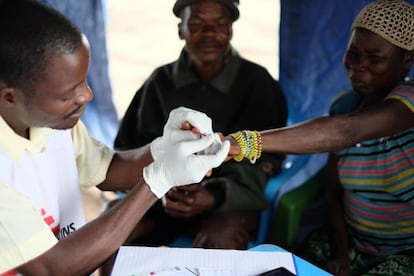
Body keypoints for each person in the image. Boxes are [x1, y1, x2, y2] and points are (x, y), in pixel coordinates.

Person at [0, 1, 229, 275]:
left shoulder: (52, 123)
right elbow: (54, 267)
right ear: (10, 97)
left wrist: (164, 148)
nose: (87, 95)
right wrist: (157, 180)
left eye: (85, 81)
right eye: (68, 93)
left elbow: (107, 169)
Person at [227, 0, 414, 275]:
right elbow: (332, 191)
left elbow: (346, 131)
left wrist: (242, 143)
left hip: (405, 254)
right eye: (353, 53)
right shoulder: (343, 106)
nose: (359, 65)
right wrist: (340, 254)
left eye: (375, 57)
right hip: (351, 246)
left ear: (407, 61)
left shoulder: (408, 104)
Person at [112, 0, 287, 251]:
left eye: (220, 25)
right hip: (161, 199)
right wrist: (161, 188)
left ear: (231, 29)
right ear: (180, 29)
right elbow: (128, 150)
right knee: (114, 229)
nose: (208, 34)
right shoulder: (159, 84)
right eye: (196, 24)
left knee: (222, 239)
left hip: (225, 205)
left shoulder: (258, 84)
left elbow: (267, 159)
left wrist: (215, 195)